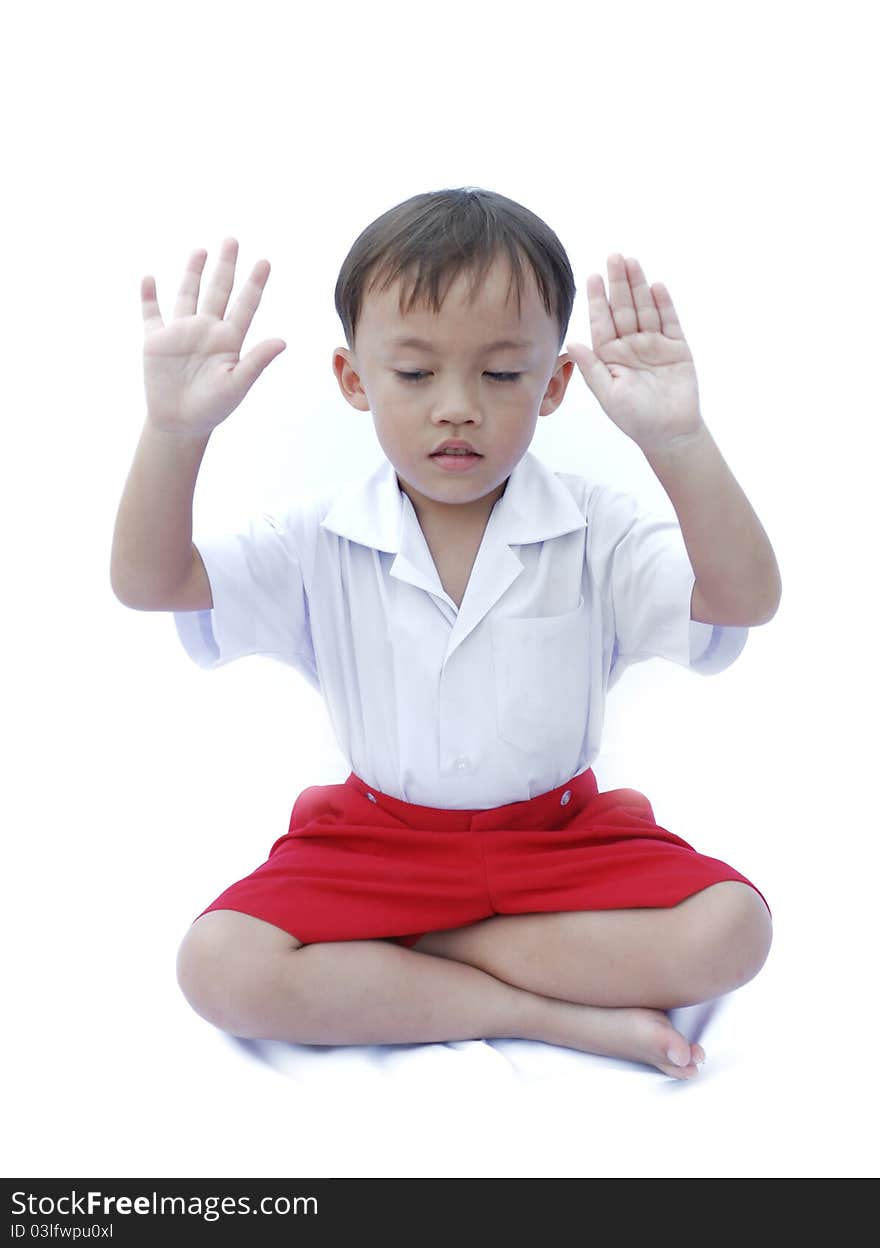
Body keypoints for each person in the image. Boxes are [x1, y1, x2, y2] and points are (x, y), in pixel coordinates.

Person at [110, 187, 779, 1080]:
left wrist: (681, 440)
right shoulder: (317, 537)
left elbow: (743, 599)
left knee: (733, 930)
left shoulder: (598, 526)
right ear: (355, 379)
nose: (457, 406)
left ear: (554, 384)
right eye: (416, 374)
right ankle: (541, 1010)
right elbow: (151, 583)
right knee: (217, 966)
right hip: (378, 843)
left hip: (558, 840)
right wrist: (173, 433)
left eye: (502, 374)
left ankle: (418, 955)